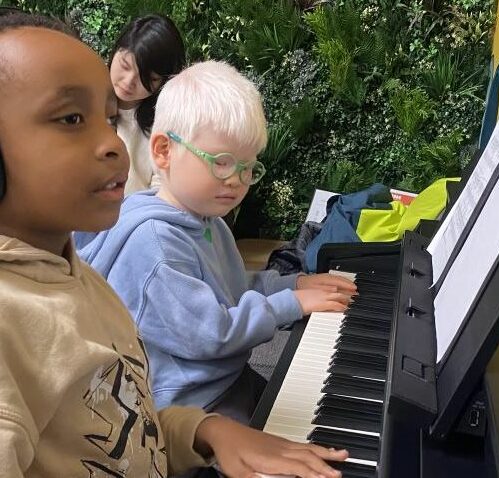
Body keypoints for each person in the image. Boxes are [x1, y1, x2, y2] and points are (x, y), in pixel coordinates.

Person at [0, 12, 347, 477]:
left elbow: (129, 422)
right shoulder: (14, 330)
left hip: (192, 424)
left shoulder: (78, 277)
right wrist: (290, 302)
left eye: (108, 119)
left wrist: (201, 432)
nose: (112, 143)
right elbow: (208, 332)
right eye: (71, 118)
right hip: (204, 395)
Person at [77, 60, 357, 423]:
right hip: (190, 406)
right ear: (163, 151)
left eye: (247, 168)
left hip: (222, 379)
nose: (236, 181)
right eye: (222, 163)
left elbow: (231, 291)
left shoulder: (206, 218)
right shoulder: (156, 244)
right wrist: (292, 303)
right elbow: (212, 333)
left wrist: (295, 283)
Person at [109, 14, 185, 195]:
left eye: (149, 78)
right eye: (125, 65)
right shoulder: (84, 97)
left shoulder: (164, 123)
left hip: (132, 218)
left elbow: (162, 189)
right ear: (115, 51)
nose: (129, 82)